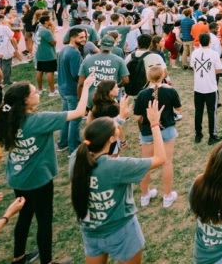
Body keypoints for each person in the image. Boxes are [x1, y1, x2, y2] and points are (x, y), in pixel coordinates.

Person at [0, 74, 95, 264]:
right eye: (34, 92)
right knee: (44, 221)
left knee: (25, 214)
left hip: (18, 177)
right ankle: (47, 261)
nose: (38, 93)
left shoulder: (8, 119)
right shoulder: (39, 120)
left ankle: (18, 257)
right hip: (38, 179)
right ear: (26, 100)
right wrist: (86, 86)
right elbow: (79, 112)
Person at [69, 102, 166, 264]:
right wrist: (155, 124)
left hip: (90, 231)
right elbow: (160, 158)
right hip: (121, 231)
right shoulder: (116, 167)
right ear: (112, 139)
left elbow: (105, 134)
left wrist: (120, 118)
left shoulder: (76, 159)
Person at [133, 65, 182, 208]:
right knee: (167, 162)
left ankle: (144, 195)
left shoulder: (142, 94)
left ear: (148, 77)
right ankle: (167, 196)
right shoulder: (170, 91)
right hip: (167, 130)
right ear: (163, 76)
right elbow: (179, 108)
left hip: (148, 132)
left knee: (146, 164)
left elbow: (136, 117)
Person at [57, 28, 86, 153]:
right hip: (72, 90)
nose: (84, 39)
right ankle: (74, 147)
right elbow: (76, 74)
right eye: (81, 37)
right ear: (73, 38)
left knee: (66, 117)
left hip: (63, 88)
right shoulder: (74, 52)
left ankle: (62, 143)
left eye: (84, 36)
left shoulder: (63, 49)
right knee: (75, 118)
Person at [192, 32, 222, 145]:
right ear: (209, 41)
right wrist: (210, 71)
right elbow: (219, 70)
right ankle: (212, 135)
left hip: (198, 87)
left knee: (198, 111)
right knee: (211, 112)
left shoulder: (194, 53)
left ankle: (198, 134)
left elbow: (193, 67)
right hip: (210, 87)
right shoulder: (214, 54)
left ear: (199, 42)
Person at [34, 15, 59, 97]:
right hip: (48, 55)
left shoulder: (39, 29)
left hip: (40, 54)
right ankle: (52, 91)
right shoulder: (46, 31)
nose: (51, 21)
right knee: (50, 72)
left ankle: (40, 89)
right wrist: (53, 31)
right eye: (50, 19)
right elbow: (53, 42)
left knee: (39, 71)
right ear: (46, 21)